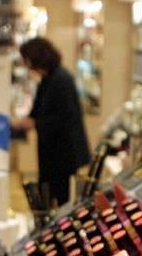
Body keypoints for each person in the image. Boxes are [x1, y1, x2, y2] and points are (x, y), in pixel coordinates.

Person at [13, 38, 90, 206]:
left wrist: (35, 123)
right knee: (48, 192)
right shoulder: (49, 79)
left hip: (63, 154)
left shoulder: (61, 80)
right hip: (53, 152)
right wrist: (28, 120)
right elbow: (40, 108)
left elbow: (66, 117)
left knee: (58, 196)